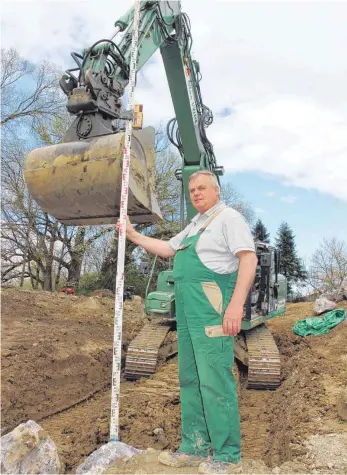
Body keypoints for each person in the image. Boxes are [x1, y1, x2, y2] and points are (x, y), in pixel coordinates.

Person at [116, 170, 258, 474]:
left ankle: (226, 456)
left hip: (212, 313)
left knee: (216, 383)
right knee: (190, 380)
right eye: (192, 189)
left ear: (217, 191)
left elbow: (248, 259)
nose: (195, 193)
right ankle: (193, 447)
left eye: (202, 188)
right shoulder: (196, 225)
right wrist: (134, 235)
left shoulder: (228, 219)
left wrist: (235, 307)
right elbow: (168, 249)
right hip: (188, 314)